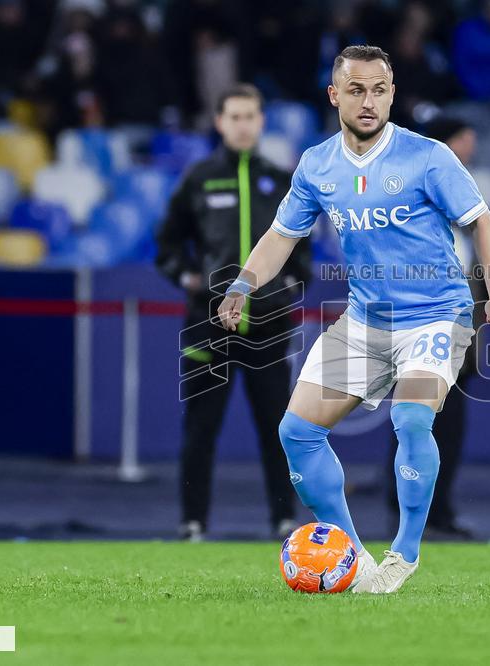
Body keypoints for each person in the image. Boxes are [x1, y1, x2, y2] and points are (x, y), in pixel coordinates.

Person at [216, 45, 490, 593]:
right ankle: (354, 556)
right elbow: (283, 235)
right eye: (356, 90)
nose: (369, 100)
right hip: (367, 318)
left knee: (412, 419)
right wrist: (243, 283)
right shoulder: (317, 164)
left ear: (393, 93)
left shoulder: (428, 156)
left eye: (379, 89)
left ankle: (404, 553)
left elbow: (484, 224)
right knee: (297, 431)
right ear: (335, 95)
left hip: (436, 314)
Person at [155, 84, 309, 542]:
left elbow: (302, 254)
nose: (243, 125)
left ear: (262, 123)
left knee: (276, 430)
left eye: (250, 116)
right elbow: (165, 245)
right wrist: (187, 278)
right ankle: (192, 522)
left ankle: (284, 519)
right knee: (200, 430)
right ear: (220, 123)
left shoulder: (282, 182)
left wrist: (284, 288)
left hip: (268, 327)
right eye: (234, 117)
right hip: (207, 325)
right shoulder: (199, 179)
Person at [384, 117, 481, 540]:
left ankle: (438, 508)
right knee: (413, 419)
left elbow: (474, 271)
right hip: (417, 326)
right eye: (461, 140)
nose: (468, 150)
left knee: (449, 425)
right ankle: (403, 505)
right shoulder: (408, 195)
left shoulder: (466, 198)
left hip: (455, 330)